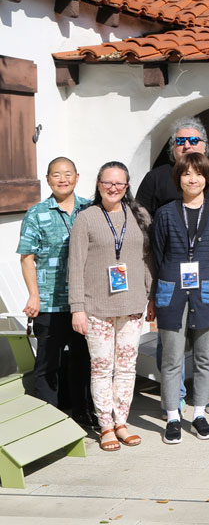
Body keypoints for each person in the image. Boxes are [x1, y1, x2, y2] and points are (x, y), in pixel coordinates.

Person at [135, 117, 209, 414]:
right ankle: (175, 399)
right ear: (172, 148)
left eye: (193, 140)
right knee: (171, 343)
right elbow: (144, 223)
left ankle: (208, 395)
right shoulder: (157, 177)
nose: (187, 145)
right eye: (180, 141)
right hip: (172, 275)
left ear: (205, 146)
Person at [68, 162, 151, 451]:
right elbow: (75, 265)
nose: (113, 188)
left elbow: (147, 259)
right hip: (96, 307)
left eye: (119, 183)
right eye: (108, 182)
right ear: (98, 184)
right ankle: (105, 425)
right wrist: (77, 307)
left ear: (127, 186)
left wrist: (149, 295)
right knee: (102, 368)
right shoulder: (86, 218)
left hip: (132, 305)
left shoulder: (139, 215)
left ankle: (121, 422)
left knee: (127, 367)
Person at [150, 152, 209, 444]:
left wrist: (205, 273)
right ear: (178, 179)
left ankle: (199, 414)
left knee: (205, 358)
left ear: (207, 178)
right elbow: (157, 254)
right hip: (171, 291)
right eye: (186, 174)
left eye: (198, 173)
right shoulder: (165, 213)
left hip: (207, 290)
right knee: (172, 359)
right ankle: (173, 416)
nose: (192, 179)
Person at [17, 157, 93, 427]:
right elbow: (27, 258)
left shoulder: (89, 209)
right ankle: (49, 423)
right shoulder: (36, 213)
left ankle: (83, 412)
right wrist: (34, 295)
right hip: (49, 302)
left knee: (83, 360)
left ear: (77, 177)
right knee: (48, 365)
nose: (63, 179)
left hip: (83, 302)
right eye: (56, 175)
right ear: (48, 179)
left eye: (68, 174)